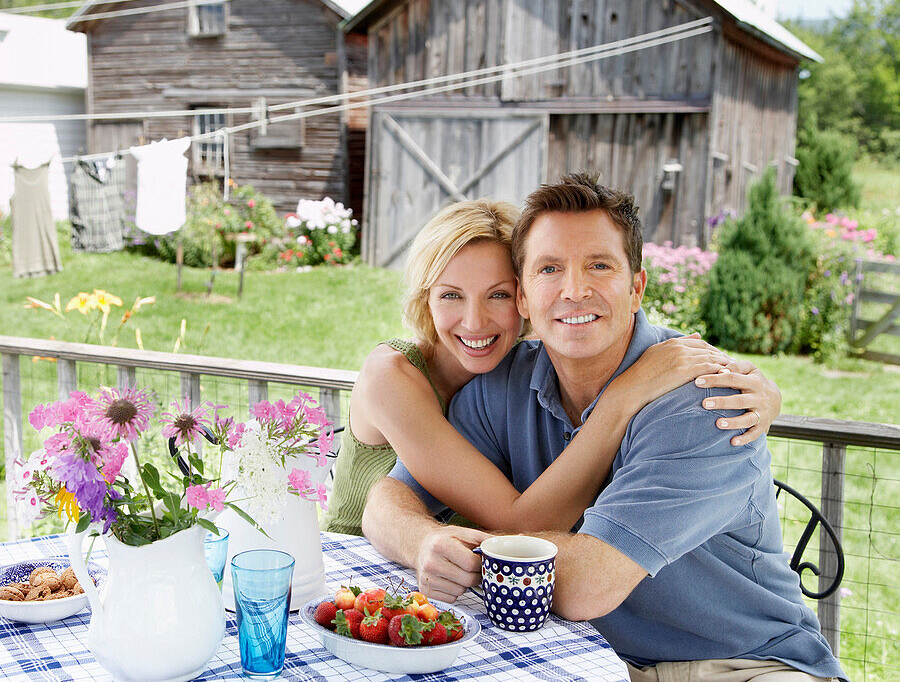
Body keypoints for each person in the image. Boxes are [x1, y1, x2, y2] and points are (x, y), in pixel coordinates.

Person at [362, 175, 845, 681]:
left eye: (599, 265)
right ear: (525, 298)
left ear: (637, 288)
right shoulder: (501, 384)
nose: (574, 290)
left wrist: (466, 556)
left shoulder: (705, 404)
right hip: (580, 657)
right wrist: (421, 541)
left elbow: (585, 585)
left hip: (742, 665)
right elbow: (386, 500)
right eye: (550, 268)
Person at [321, 198, 781, 540]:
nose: (475, 321)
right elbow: (517, 524)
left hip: (464, 587)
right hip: (362, 565)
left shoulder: (523, 361)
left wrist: (761, 388)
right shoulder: (393, 375)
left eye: (498, 294)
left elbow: (605, 319)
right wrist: (621, 399)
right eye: (450, 295)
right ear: (425, 299)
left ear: (523, 300)